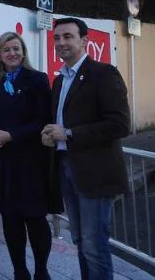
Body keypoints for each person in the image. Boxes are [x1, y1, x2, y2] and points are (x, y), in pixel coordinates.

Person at [42, 18, 130, 280]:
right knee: (80, 240)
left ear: (84, 41)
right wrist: (50, 134)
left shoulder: (103, 74)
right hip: (66, 169)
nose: (61, 43)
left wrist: (68, 134)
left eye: (68, 36)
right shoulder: (59, 80)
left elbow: (119, 124)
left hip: (95, 174)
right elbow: (62, 121)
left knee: (94, 245)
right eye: (57, 38)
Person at [0, 32, 62, 280]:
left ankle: (41, 271)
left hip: (30, 160)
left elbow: (43, 119)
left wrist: (11, 135)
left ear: (23, 51)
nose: (12, 53)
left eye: (16, 48)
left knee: (35, 218)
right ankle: (20, 272)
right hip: (0, 160)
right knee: (10, 219)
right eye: (6, 50)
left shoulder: (37, 80)